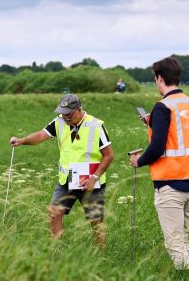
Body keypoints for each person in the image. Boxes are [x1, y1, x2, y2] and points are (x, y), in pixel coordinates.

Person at [10, 94, 114, 247]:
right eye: (62, 113)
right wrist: (22, 140)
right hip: (67, 180)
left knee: (96, 221)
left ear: (79, 109)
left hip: (91, 181)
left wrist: (94, 178)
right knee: (53, 212)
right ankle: (55, 251)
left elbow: (109, 156)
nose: (65, 117)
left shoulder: (95, 125)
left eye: (68, 114)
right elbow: (41, 135)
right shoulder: (59, 121)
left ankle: (101, 255)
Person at [129, 57, 189, 269]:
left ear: (160, 78)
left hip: (170, 183)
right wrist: (155, 120)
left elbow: (158, 147)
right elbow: (181, 135)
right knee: (182, 237)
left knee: (174, 241)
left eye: (155, 79)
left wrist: (138, 161)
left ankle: (187, 277)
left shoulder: (163, 107)